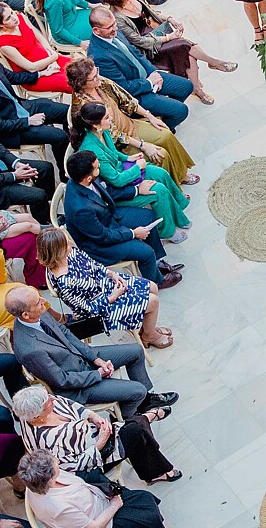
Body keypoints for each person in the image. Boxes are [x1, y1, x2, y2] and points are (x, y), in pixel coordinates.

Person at [6, 285, 170, 419]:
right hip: (77, 386)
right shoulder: (30, 350)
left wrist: (95, 359)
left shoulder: (38, 313)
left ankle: (146, 400)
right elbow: (62, 381)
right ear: (25, 314)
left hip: (80, 358)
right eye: (38, 302)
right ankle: (128, 418)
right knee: (137, 390)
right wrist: (98, 374)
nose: (44, 301)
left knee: (136, 351)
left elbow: (66, 334)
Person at [18, 449, 182, 528]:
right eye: (55, 463)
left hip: (100, 506)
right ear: (49, 477)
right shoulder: (57, 507)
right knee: (148, 513)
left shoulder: (40, 482)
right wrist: (114, 506)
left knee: (144, 498)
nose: (58, 461)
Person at [101, 0, 235, 103]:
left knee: (188, 54)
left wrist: (170, 19)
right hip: (149, 46)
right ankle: (213, 64)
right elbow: (138, 41)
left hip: (159, 30)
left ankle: (198, 88)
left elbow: (151, 12)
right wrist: (167, 38)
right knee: (184, 46)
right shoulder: (117, 17)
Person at [9, 387, 177, 489]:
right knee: (137, 430)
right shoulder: (48, 441)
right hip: (95, 457)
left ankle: (145, 423)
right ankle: (146, 419)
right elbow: (73, 467)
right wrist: (100, 443)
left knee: (137, 432)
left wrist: (92, 416)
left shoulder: (46, 402)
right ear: (37, 416)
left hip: (95, 433)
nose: (53, 399)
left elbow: (72, 405)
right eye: (48, 403)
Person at [33, 225, 169, 347]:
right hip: (101, 308)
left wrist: (110, 274)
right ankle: (149, 335)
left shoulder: (70, 253)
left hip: (105, 284)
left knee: (152, 286)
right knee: (153, 301)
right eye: (66, 243)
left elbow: (93, 264)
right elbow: (86, 310)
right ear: (57, 252)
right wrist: (112, 297)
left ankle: (147, 327)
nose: (70, 242)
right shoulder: (65, 283)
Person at [75, 100, 189, 241]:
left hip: (122, 170)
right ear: (95, 125)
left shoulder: (102, 132)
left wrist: (128, 158)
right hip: (116, 191)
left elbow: (113, 153)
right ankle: (167, 232)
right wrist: (137, 167)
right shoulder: (93, 150)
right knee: (158, 190)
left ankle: (178, 210)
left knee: (161, 173)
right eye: (107, 117)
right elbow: (116, 180)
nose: (111, 118)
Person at [60, 149, 174, 280]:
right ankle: (157, 280)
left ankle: (156, 264)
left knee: (148, 217)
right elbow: (103, 236)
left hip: (107, 217)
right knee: (146, 252)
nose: (100, 166)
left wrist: (137, 190)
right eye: (97, 167)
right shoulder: (80, 209)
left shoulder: (82, 178)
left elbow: (107, 190)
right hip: (99, 245)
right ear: (88, 178)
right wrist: (133, 233)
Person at [0, 35, 70, 163]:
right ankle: (65, 170)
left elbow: (13, 77)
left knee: (68, 112)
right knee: (60, 136)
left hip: (21, 106)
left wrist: (41, 74)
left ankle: (73, 146)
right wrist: (28, 121)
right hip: (14, 127)